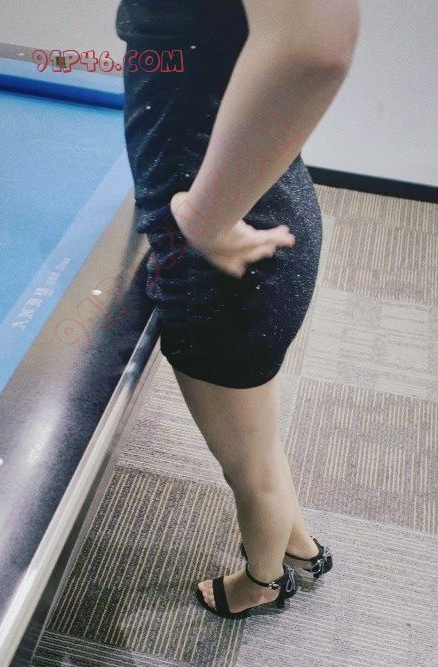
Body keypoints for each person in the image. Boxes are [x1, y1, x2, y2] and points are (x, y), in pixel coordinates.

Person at [115, 0, 360, 619]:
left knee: (247, 468)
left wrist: (205, 218)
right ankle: (299, 547)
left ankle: (262, 583)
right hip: (251, 226)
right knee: (257, 441)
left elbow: (316, 46)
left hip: (226, 253)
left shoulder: (216, 237)